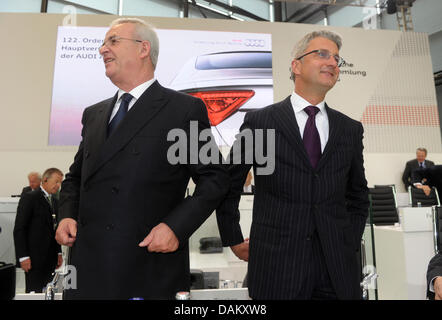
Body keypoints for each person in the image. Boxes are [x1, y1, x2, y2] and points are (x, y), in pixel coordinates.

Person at [55, 18, 229, 300]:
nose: (102, 50)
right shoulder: (94, 114)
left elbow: (214, 179)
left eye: (113, 41)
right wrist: (66, 215)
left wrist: (175, 227)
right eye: (103, 43)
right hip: (87, 270)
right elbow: (76, 178)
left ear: (143, 49)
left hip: (147, 266)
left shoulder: (183, 110)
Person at [216, 30, 369, 299]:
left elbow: (357, 195)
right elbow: (230, 184)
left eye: (337, 58)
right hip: (277, 267)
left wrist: (347, 241)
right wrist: (233, 237)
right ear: (296, 65)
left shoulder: (350, 129)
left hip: (336, 270)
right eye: (322, 54)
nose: (333, 62)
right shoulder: (260, 122)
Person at [13, 168, 63, 293]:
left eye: (60, 182)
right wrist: (23, 256)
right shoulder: (30, 198)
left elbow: (54, 229)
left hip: (50, 259)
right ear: (45, 180)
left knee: (48, 292)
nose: (58, 185)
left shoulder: (55, 202)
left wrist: (58, 253)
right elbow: (20, 228)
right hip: (33, 259)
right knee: (34, 292)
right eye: (56, 181)